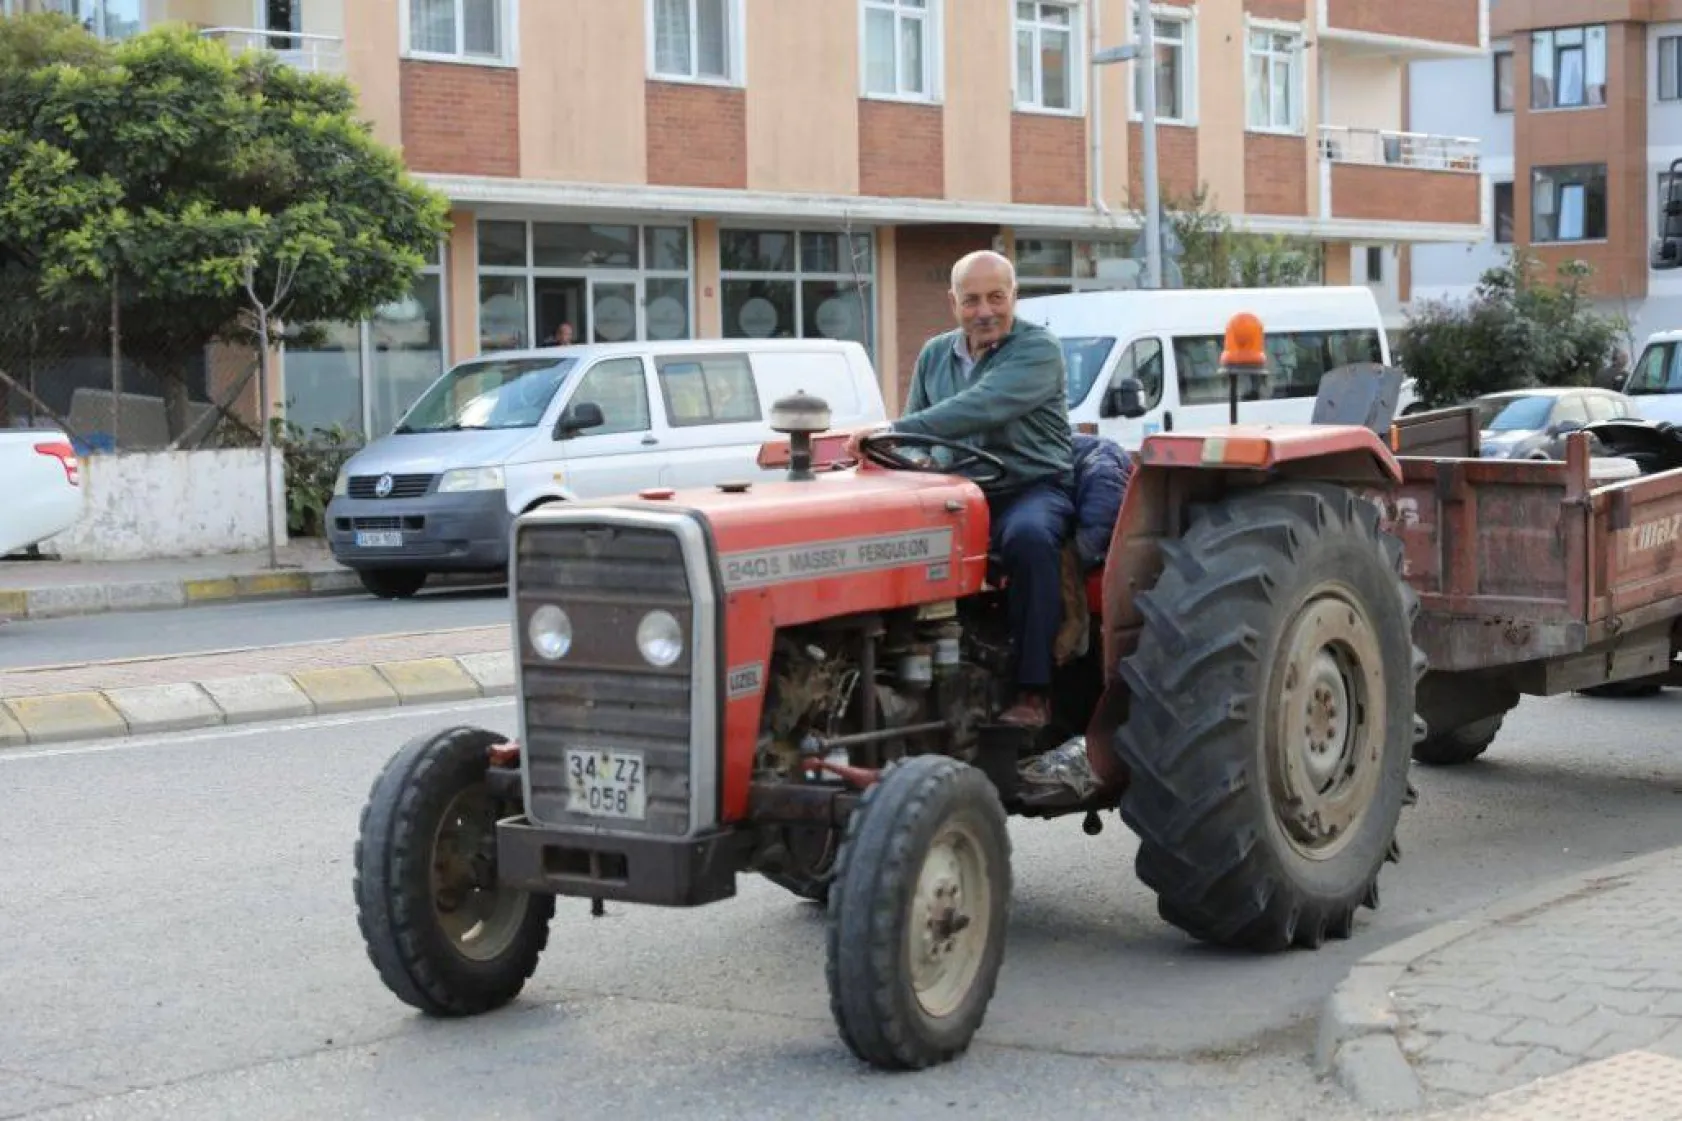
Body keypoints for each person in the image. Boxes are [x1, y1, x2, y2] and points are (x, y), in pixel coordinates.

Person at [845, 249, 1074, 728]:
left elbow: (978, 408)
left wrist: (890, 428)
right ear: (953, 303)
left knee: (1029, 540)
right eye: (972, 300)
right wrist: (902, 456)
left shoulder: (1038, 350)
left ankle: (1035, 691)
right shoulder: (935, 353)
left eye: (996, 297)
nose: (985, 311)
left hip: (1028, 486)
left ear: (1015, 297)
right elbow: (919, 443)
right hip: (960, 492)